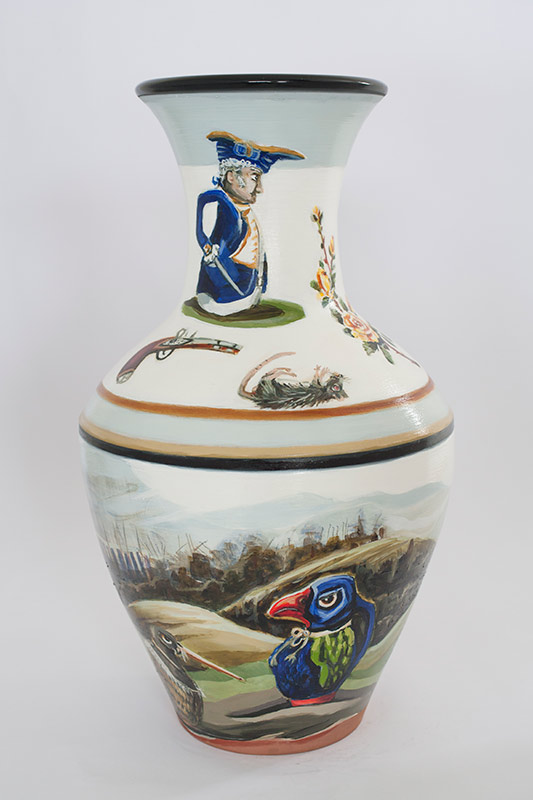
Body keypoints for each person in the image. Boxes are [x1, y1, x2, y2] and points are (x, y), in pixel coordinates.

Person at [195, 131, 305, 316]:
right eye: (254, 178)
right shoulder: (222, 204)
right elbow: (204, 203)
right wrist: (208, 249)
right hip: (223, 297)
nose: (260, 188)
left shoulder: (240, 209)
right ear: (231, 177)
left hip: (246, 292)